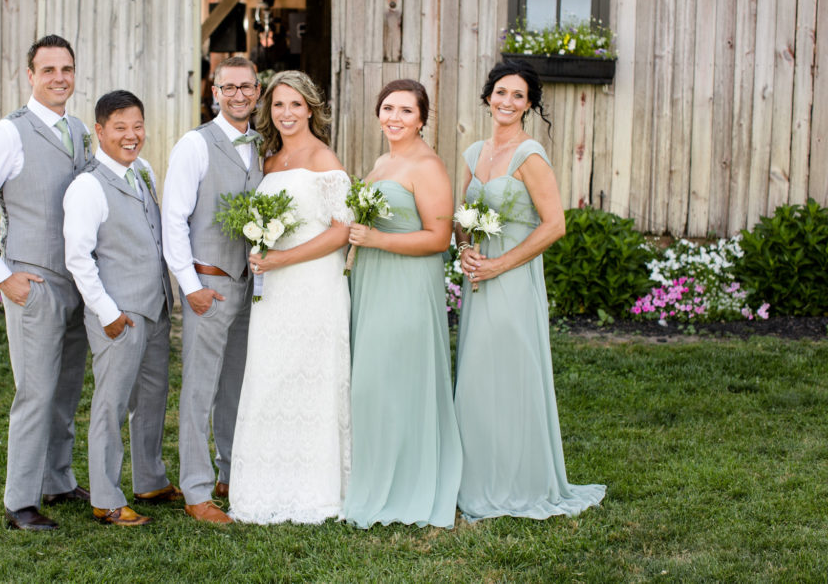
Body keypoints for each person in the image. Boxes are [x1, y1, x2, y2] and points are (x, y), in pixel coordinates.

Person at [0, 34, 91, 531]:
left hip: (77, 283)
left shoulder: (79, 130)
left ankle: (56, 478)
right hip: (34, 284)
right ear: (30, 75)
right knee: (34, 391)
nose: (58, 78)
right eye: (48, 69)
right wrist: (3, 276)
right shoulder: (7, 135)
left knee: (66, 389)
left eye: (66, 69)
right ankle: (20, 502)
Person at [454, 59, 605, 520]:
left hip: (513, 280)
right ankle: (477, 476)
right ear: (487, 97)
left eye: (518, 96)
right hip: (478, 278)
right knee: (478, 376)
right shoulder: (474, 151)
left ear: (529, 104)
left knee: (511, 376)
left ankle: (518, 481)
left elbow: (554, 225)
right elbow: (462, 214)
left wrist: (499, 264)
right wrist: (464, 249)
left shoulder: (530, 155)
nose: (507, 101)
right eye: (501, 92)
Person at [228, 71, 352, 525]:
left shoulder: (324, 158)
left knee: (311, 381)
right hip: (274, 292)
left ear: (311, 109)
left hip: (314, 286)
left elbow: (341, 233)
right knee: (270, 378)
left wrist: (283, 259)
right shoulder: (270, 160)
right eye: (279, 105)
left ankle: (314, 492)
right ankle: (266, 486)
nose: (286, 113)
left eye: (296, 105)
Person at [340, 79, 462, 529]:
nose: (394, 117)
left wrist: (376, 239)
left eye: (406, 111)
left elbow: (439, 237)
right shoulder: (384, 161)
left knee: (391, 382)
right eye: (387, 108)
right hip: (372, 280)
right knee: (373, 384)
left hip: (407, 284)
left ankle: (405, 483)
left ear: (423, 119)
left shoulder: (427, 166)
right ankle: (375, 476)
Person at [62, 90, 180, 527]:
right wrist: (107, 312)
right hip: (119, 315)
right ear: (99, 131)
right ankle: (107, 499)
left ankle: (150, 478)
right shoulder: (88, 186)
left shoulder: (143, 171)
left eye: (137, 127)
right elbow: (78, 257)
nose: (132, 137)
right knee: (111, 405)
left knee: (152, 397)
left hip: (155, 306)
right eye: (120, 128)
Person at [161, 56, 263, 524]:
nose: (239, 94)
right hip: (208, 284)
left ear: (257, 91)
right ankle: (197, 491)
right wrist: (190, 286)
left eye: (247, 86)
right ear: (214, 92)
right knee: (199, 390)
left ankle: (228, 473)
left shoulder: (264, 147)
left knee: (236, 385)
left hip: (250, 285)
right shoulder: (194, 145)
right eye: (230, 87)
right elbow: (173, 220)